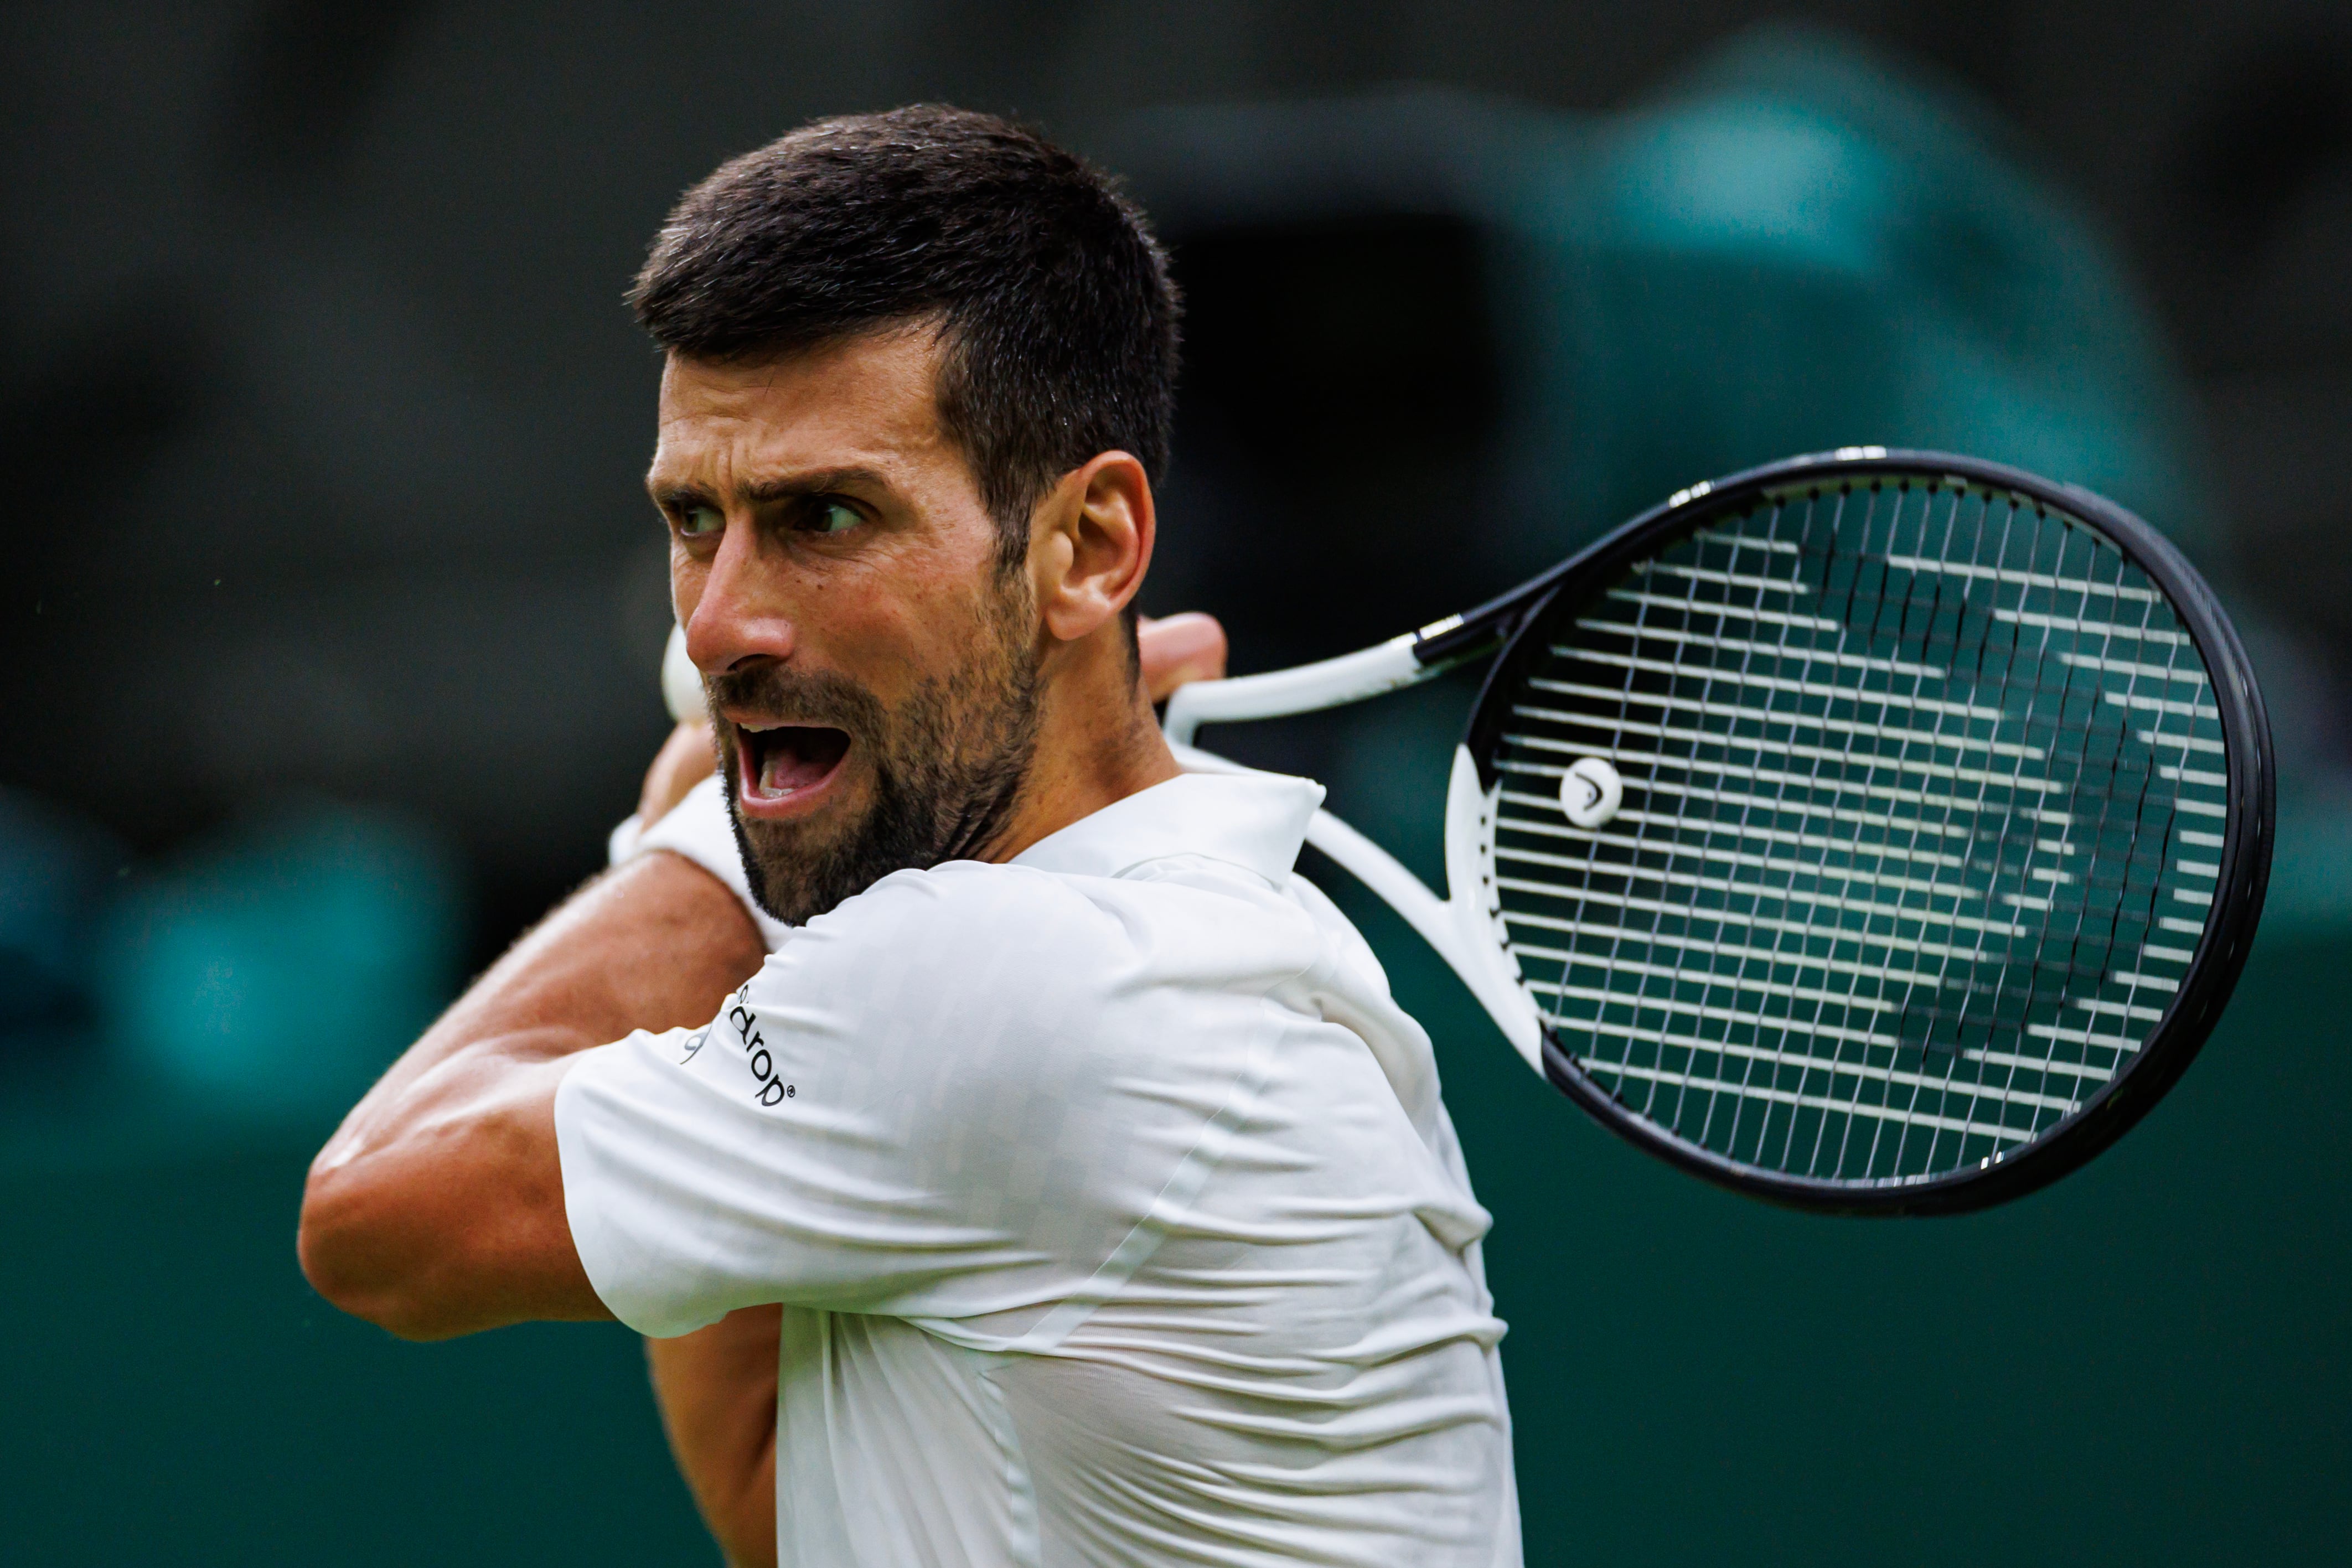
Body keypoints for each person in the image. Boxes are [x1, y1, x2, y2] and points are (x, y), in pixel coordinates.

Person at [297, 105, 1520, 1568]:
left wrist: (705, 826)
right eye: (698, 518)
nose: (721, 620)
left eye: (824, 515)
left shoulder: (1024, 983)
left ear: (1088, 547)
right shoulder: (1183, 951)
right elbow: (793, 1508)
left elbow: (376, 1214)